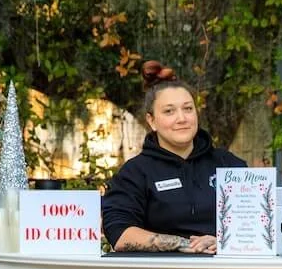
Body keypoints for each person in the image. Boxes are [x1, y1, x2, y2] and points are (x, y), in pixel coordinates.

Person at [102, 61, 247, 253]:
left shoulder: (229, 165)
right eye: (169, 111)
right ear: (151, 120)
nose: (182, 118)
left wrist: (220, 242)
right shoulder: (135, 172)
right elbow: (120, 234)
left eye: (188, 109)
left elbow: (258, 225)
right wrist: (183, 244)